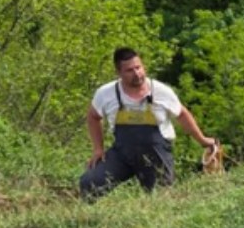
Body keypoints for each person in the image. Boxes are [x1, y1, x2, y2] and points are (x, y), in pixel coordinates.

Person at [79, 47, 217, 201]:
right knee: (89, 182)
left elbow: (183, 115)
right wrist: (98, 148)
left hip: (156, 155)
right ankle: (89, 221)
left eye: (138, 67)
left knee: (162, 200)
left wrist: (203, 141)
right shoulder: (105, 94)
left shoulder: (161, 91)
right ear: (119, 73)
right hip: (122, 153)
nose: (137, 74)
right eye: (129, 70)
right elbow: (93, 117)